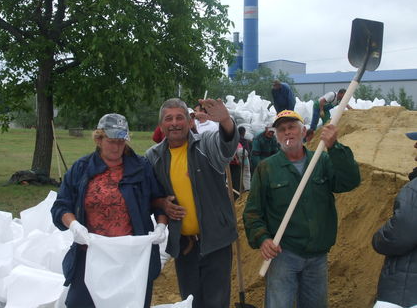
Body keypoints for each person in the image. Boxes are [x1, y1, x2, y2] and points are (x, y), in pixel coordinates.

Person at [243, 110, 361, 308]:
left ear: (304, 131)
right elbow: (253, 211)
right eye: (282, 130)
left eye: (292, 128)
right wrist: (263, 239)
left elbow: (350, 181)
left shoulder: (322, 161)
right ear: (276, 136)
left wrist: (335, 147)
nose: (287, 133)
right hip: (283, 255)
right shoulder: (267, 168)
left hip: (317, 256)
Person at [51, 113, 168, 308]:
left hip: (132, 257)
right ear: (98, 139)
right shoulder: (81, 169)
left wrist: (161, 226)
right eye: (111, 141)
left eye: (121, 142)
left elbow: (158, 201)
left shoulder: (141, 167)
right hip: (92, 254)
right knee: (80, 303)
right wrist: (74, 225)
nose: (116, 147)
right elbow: (61, 206)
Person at [145, 98, 239, 308]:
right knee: (191, 301)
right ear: (161, 126)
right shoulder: (153, 157)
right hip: (184, 245)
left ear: (189, 122)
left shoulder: (205, 145)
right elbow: (147, 196)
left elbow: (227, 146)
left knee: (216, 302)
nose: (175, 123)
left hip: (216, 241)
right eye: (169, 119)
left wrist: (225, 121)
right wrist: (162, 203)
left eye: (180, 117)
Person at [371, 131, 417, 308]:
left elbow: (399, 235)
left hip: (405, 293)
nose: (415, 146)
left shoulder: (414, 190)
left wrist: (379, 238)